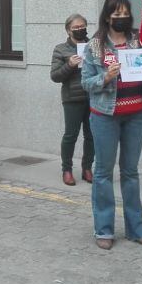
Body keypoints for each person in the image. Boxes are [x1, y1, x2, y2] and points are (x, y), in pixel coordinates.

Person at [81, 0, 142, 250]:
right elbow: (86, 83)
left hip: (136, 113)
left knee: (130, 172)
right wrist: (105, 77)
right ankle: (103, 229)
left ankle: (136, 229)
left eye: (125, 12)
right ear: (107, 17)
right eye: (117, 14)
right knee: (103, 172)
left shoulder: (138, 40)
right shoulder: (95, 45)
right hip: (105, 115)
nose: (122, 17)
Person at [51, 13, 94, 186]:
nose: (80, 30)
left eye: (82, 26)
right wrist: (69, 65)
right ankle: (67, 169)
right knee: (71, 135)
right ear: (68, 30)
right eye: (76, 27)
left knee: (91, 135)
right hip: (72, 98)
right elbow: (55, 76)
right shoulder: (60, 49)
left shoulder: (93, 45)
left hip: (93, 96)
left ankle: (87, 168)